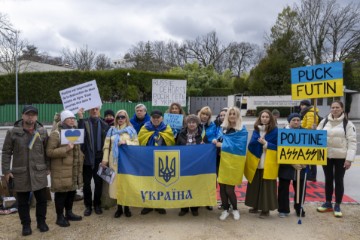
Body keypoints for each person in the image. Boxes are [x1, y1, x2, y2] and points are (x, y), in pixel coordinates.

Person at [1, 105, 49, 236]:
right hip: (21, 173)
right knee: (22, 202)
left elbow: (47, 151)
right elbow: (6, 152)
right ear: (22, 115)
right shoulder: (13, 132)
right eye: (28, 114)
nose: (30, 117)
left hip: (38, 171)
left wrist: (48, 167)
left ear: (36, 117)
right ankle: (26, 225)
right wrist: (6, 170)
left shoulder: (42, 132)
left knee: (42, 200)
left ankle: (41, 222)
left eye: (33, 114)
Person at [316, 100, 357, 218]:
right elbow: (317, 137)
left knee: (339, 180)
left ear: (342, 109)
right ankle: (328, 202)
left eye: (337, 107)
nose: (334, 109)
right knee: (328, 179)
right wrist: (315, 130)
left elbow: (352, 142)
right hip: (326, 156)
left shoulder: (348, 124)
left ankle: (337, 204)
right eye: (333, 107)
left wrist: (349, 159)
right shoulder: (324, 122)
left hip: (341, 157)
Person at [46, 110, 83, 227]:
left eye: (73, 118)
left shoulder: (75, 131)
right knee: (61, 193)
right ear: (63, 120)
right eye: (69, 118)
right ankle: (59, 217)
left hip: (73, 169)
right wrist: (66, 149)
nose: (72, 119)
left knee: (71, 191)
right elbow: (49, 152)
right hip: (61, 170)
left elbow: (77, 149)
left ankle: (69, 213)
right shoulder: (56, 134)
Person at [101, 110, 139, 218]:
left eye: (122, 117)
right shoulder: (111, 131)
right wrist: (105, 160)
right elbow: (106, 146)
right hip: (114, 161)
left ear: (126, 118)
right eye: (118, 117)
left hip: (127, 161)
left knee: (126, 182)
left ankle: (126, 207)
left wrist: (126, 142)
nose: (120, 119)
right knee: (116, 183)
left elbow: (137, 143)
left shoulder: (131, 131)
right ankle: (119, 208)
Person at [212, 107, 248, 221]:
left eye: (234, 114)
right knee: (222, 188)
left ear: (238, 116)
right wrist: (215, 141)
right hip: (223, 161)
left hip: (235, 161)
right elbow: (218, 139)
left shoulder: (242, 129)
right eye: (230, 114)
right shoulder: (223, 128)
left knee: (229, 189)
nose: (232, 116)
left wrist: (221, 145)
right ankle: (225, 210)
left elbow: (240, 147)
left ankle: (235, 209)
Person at [138, 109, 175, 215]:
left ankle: (160, 205)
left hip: (162, 160)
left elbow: (171, 142)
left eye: (158, 117)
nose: (156, 119)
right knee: (147, 182)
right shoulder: (145, 128)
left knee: (161, 182)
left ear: (161, 118)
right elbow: (140, 141)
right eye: (154, 117)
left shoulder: (167, 128)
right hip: (147, 159)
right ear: (150, 118)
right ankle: (148, 205)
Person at [244, 109, 278, 218]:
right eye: (262, 117)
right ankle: (255, 205)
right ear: (259, 118)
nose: (264, 118)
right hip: (256, 162)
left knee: (266, 187)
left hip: (268, 162)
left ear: (270, 118)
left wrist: (266, 144)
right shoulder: (256, 131)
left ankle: (265, 209)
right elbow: (251, 144)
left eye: (267, 117)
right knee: (255, 185)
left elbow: (279, 148)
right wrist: (258, 143)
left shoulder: (275, 131)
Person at [77, 107, 110, 216]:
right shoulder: (84, 122)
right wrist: (80, 118)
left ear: (99, 110)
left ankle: (97, 204)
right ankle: (88, 206)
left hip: (100, 160)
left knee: (98, 183)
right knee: (86, 184)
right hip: (87, 159)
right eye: (92, 109)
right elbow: (80, 136)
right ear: (88, 111)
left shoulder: (105, 124)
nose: (94, 111)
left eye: (96, 109)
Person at [277, 113, 306, 218]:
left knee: (301, 188)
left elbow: (311, 150)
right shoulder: (282, 133)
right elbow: (279, 149)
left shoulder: (305, 132)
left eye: (298, 120)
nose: (296, 122)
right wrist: (291, 162)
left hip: (301, 166)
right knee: (283, 189)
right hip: (286, 166)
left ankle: (299, 208)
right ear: (289, 121)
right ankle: (283, 209)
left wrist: (305, 162)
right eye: (294, 120)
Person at [176, 114, 203, 217]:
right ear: (186, 124)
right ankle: (184, 208)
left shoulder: (202, 134)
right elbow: (177, 147)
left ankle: (194, 207)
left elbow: (207, 146)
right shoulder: (181, 134)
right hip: (184, 164)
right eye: (189, 122)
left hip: (197, 164)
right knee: (183, 186)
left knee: (195, 186)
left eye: (193, 122)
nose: (191, 124)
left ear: (197, 123)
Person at [197, 106, 217, 211]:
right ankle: (198, 199)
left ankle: (209, 201)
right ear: (200, 114)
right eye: (203, 114)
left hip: (209, 155)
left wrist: (214, 139)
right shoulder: (194, 123)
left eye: (207, 115)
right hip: (197, 155)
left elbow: (215, 135)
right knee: (198, 177)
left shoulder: (212, 125)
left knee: (209, 178)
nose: (204, 116)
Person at [299, 99, 320, 181]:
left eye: (302, 105)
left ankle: (312, 176)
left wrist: (301, 130)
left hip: (309, 137)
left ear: (307, 106)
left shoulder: (310, 113)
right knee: (310, 157)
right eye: (301, 105)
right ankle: (311, 175)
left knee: (311, 157)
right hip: (308, 137)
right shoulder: (308, 112)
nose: (301, 107)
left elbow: (309, 127)